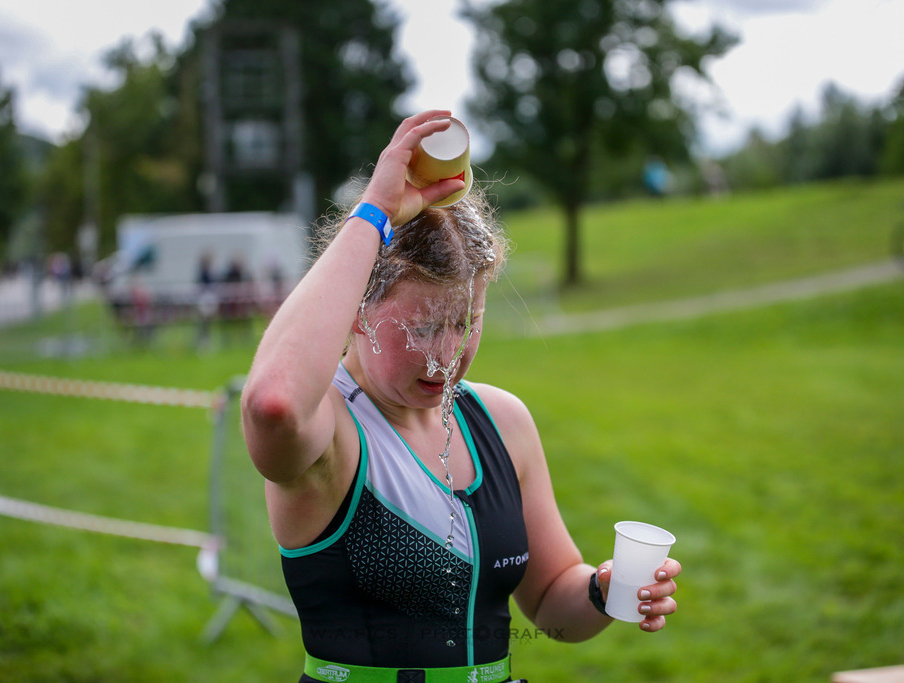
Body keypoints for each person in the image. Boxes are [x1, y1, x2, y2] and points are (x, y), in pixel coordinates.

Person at [241, 110, 681, 683]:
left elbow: (550, 605)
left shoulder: (502, 421)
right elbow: (272, 402)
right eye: (420, 328)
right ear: (354, 310)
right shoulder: (331, 430)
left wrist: (602, 590)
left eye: (465, 323)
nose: (444, 356)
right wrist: (373, 212)